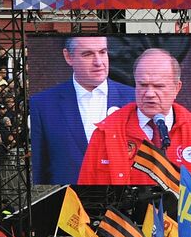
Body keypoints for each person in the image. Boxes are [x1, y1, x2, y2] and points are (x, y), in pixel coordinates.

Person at [78, 48, 191, 185]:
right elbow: (85, 184)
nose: (149, 93)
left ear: (177, 88)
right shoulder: (107, 132)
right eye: (143, 85)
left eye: (158, 86)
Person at [29, 35, 134, 184]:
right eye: (88, 54)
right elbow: (40, 169)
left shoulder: (135, 100)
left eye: (103, 52)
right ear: (68, 57)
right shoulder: (42, 105)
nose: (99, 62)